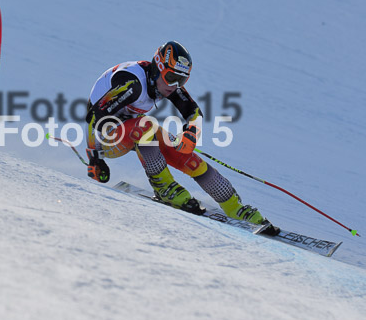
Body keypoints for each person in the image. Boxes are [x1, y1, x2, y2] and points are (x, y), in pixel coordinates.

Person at [85, 41, 276, 230]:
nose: (175, 85)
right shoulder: (132, 85)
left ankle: (234, 207)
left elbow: (193, 112)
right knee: (146, 126)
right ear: (158, 68)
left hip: (133, 129)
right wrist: (95, 159)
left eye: (182, 80)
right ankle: (164, 188)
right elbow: (93, 117)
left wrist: (191, 133)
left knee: (184, 154)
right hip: (104, 138)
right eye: (171, 77)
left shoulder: (164, 83)